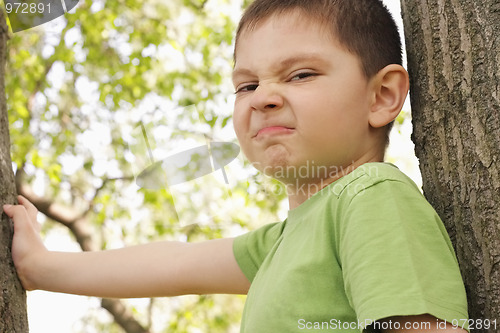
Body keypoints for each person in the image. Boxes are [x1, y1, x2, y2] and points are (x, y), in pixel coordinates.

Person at [4, 0, 469, 331]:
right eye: (246, 85)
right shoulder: (283, 244)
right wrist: (42, 268)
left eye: (301, 74)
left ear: (382, 95)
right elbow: (173, 263)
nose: (263, 97)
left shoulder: (371, 197)